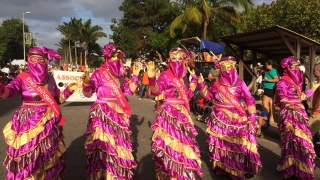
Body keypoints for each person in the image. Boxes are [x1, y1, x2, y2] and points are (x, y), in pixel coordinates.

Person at [0, 46, 78, 179]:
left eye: (40, 59)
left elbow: (57, 99)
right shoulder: (22, 78)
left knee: (49, 155)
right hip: (27, 122)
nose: (37, 62)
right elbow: (8, 92)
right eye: (33, 58)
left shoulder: (50, 78)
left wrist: (69, 90)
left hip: (48, 122)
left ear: (46, 61)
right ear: (28, 60)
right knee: (28, 156)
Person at [197, 56, 262, 179]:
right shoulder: (216, 84)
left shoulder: (240, 83)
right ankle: (222, 167)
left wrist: (252, 116)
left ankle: (237, 169)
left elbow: (249, 100)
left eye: (230, 66)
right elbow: (208, 96)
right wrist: (201, 85)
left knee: (236, 145)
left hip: (237, 118)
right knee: (220, 144)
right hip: (219, 117)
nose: (228, 70)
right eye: (225, 66)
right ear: (220, 68)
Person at [81, 44, 140, 179]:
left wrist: (135, 76)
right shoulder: (98, 73)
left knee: (118, 145)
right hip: (101, 113)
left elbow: (130, 91)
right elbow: (88, 93)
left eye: (119, 56)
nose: (117, 59)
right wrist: (86, 84)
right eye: (114, 56)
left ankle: (116, 174)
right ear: (107, 57)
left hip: (118, 113)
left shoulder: (120, 76)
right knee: (103, 146)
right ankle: (101, 174)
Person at [147, 48, 203, 179]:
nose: (177, 61)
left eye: (180, 58)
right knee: (169, 142)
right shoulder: (165, 75)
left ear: (184, 60)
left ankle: (183, 170)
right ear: (169, 60)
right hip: (168, 112)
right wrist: (151, 80)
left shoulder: (184, 77)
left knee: (184, 142)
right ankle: (170, 171)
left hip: (182, 113)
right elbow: (156, 91)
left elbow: (187, 95)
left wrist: (193, 83)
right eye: (174, 58)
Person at [276, 56, 319, 179]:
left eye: (297, 66)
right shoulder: (282, 82)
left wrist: (313, 89)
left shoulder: (297, 82)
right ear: (288, 67)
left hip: (300, 114)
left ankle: (302, 169)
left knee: (302, 142)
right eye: (293, 66)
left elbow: (301, 97)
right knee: (291, 141)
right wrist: (290, 106)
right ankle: (289, 168)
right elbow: (283, 99)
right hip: (289, 115)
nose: (296, 69)